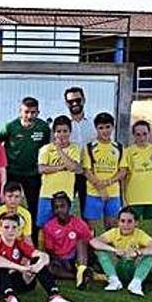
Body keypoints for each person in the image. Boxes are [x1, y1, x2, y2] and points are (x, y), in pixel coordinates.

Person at [0, 212, 77, 302]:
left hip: (22, 281)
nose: (10, 231)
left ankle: (54, 296)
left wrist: (37, 266)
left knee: (36, 260)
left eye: (14, 227)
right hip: (2, 284)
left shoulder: (20, 243)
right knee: (0, 267)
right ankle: (10, 299)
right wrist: (21, 268)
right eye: (6, 227)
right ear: (0, 228)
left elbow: (44, 256)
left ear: (18, 230)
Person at [0, 96, 50, 223]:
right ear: (20, 112)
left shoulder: (43, 127)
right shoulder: (10, 126)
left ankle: (32, 236)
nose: (29, 115)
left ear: (38, 112)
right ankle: (8, 230)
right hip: (13, 172)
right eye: (26, 112)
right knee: (9, 204)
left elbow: (47, 147)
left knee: (34, 206)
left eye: (33, 112)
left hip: (33, 174)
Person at [90, 206, 152, 296]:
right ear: (118, 222)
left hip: (134, 268)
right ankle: (114, 281)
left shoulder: (139, 234)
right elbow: (93, 242)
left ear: (136, 223)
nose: (126, 225)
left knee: (151, 255)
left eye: (130, 221)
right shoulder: (114, 232)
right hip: (118, 268)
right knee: (101, 251)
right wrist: (114, 250)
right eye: (122, 221)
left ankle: (136, 283)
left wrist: (138, 252)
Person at [36, 115, 82, 236]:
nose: (62, 135)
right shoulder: (45, 149)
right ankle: (44, 253)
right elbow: (42, 168)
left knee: (64, 226)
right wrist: (61, 167)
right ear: (54, 132)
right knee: (43, 226)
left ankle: (61, 252)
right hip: (47, 194)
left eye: (65, 131)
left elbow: (73, 167)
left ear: (70, 132)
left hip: (66, 195)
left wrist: (60, 150)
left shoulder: (74, 148)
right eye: (58, 131)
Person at [121, 120, 152, 230]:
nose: (142, 137)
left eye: (145, 134)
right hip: (133, 198)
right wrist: (124, 199)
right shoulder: (128, 152)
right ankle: (133, 247)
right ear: (133, 135)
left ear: (149, 133)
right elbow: (123, 178)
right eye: (138, 134)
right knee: (131, 227)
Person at [82, 112, 125, 231]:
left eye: (107, 127)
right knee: (91, 228)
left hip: (113, 194)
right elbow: (87, 171)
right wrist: (100, 188)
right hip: (93, 193)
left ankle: (110, 249)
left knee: (112, 227)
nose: (105, 131)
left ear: (113, 127)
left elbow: (122, 171)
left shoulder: (119, 147)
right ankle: (91, 249)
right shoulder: (90, 147)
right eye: (101, 128)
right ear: (96, 129)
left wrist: (107, 183)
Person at [41, 192, 93, 289]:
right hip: (61, 260)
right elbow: (50, 250)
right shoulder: (49, 226)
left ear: (69, 207)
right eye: (56, 207)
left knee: (81, 242)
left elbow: (89, 242)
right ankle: (80, 276)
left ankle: (81, 270)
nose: (59, 210)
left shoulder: (79, 223)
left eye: (62, 206)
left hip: (78, 257)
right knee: (50, 269)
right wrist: (61, 259)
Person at [64, 87, 95, 216]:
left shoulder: (93, 124)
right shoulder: (62, 125)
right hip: (68, 173)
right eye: (71, 101)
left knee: (87, 213)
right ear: (66, 103)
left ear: (84, 100)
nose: (75, 104)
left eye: (78, 100)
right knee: (64, 210)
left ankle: (88, 236)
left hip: (88, 173)